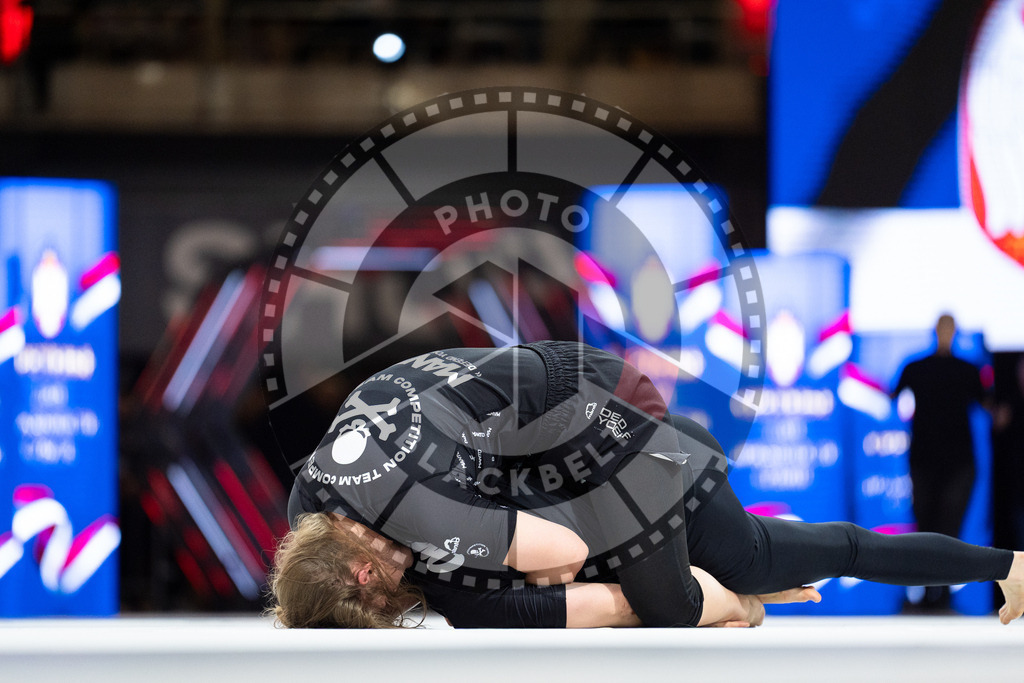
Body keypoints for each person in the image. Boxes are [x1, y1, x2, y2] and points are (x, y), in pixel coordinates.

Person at [271, 341, 1024, 628]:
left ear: (361, 562)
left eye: (378, 592)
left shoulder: (414, 515)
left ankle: (740, 595)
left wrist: (723, 601)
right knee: (807, 550)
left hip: (620, 436)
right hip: (622, 437)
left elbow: (568, 562)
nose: (398, 585)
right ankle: (1007, 565)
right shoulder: (325, 495)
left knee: (681, 601)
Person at [891, 314, 987, 610]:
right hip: (925, 460)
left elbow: (989, 405)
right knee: (925, 527)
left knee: (950, 528)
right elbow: (893, 396)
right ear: (936, 331)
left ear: (954, 332)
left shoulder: (967, 370)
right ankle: (923, 592)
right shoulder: (916, 367)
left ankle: (942, 593)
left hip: (958, 463)